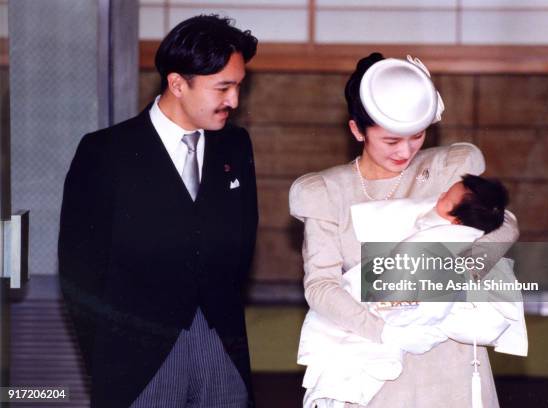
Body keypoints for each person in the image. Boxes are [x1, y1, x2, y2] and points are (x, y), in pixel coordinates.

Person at [289, 52, 519, 407]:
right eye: (391, 141)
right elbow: (320, 286)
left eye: (416, 136)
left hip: (450, 360)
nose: (407, 151)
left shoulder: (449, 168)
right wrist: (386, 331)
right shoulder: (326, 191)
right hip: (371, 356)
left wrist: (449, 272)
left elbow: (503, 224)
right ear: (356, 130)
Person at [58, 15, 258, 408]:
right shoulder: (106, 152)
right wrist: (106, 358)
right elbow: (79, 270)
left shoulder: (235, 145)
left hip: (221, 342)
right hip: (137, 355)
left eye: (238, 86)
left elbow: (243, 242)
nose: (234, 100)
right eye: (223, 87)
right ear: (178, 84)